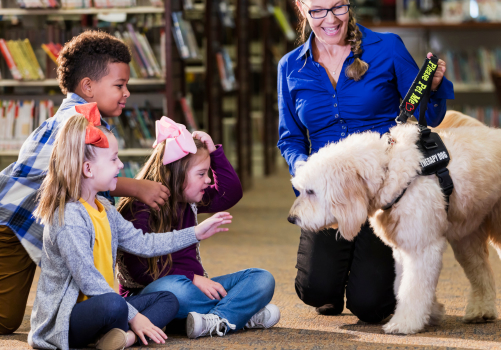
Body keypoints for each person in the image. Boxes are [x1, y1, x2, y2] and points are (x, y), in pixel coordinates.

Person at [277, 0, 454, 322]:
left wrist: (435, 89)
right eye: (317, 10)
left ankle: (370, 275)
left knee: (371, 306)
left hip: (383, 190)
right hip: (328, 194)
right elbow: (289, 137)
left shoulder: (387, 47)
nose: (330, 19)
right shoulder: (290, 66)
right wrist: (302, 168)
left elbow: (426, 116)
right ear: (302, 9)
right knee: (315, 291)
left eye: (337, 7)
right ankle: (338, 274)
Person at [0, 30, 171, 335]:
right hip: (12, 223)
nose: (127, 92)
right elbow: (76, 172)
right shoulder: (75, 123)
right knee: (4, 320)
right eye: (119, 85)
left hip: (40, 220)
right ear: (88, 87)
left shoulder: (92, 121)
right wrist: (136, 186)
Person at [28, 109, 231, 350]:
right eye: (114, 159)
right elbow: (90, 282)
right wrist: (135, 316)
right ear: (88, 169)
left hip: (102, 307)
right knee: (114, 305)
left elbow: (144, 244)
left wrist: (195, 233)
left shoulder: (104, 208)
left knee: (167, 299)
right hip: (66, 323)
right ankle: (128, 328)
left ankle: (125, 338)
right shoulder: (70, 216)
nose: (121, 165)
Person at [117, 117, 279, 339]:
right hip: (155, 295)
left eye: (208, 172)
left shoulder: (190, 200)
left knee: (262, 279)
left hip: (195, 288)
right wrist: (192, 278)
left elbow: (231, 193)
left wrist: (214, 154)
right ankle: (236, 314)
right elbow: (139, 270)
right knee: (177, 291)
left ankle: (214, 318)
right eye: (201, 174)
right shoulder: (138, 208)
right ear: (174, 175)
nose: (208, 180)